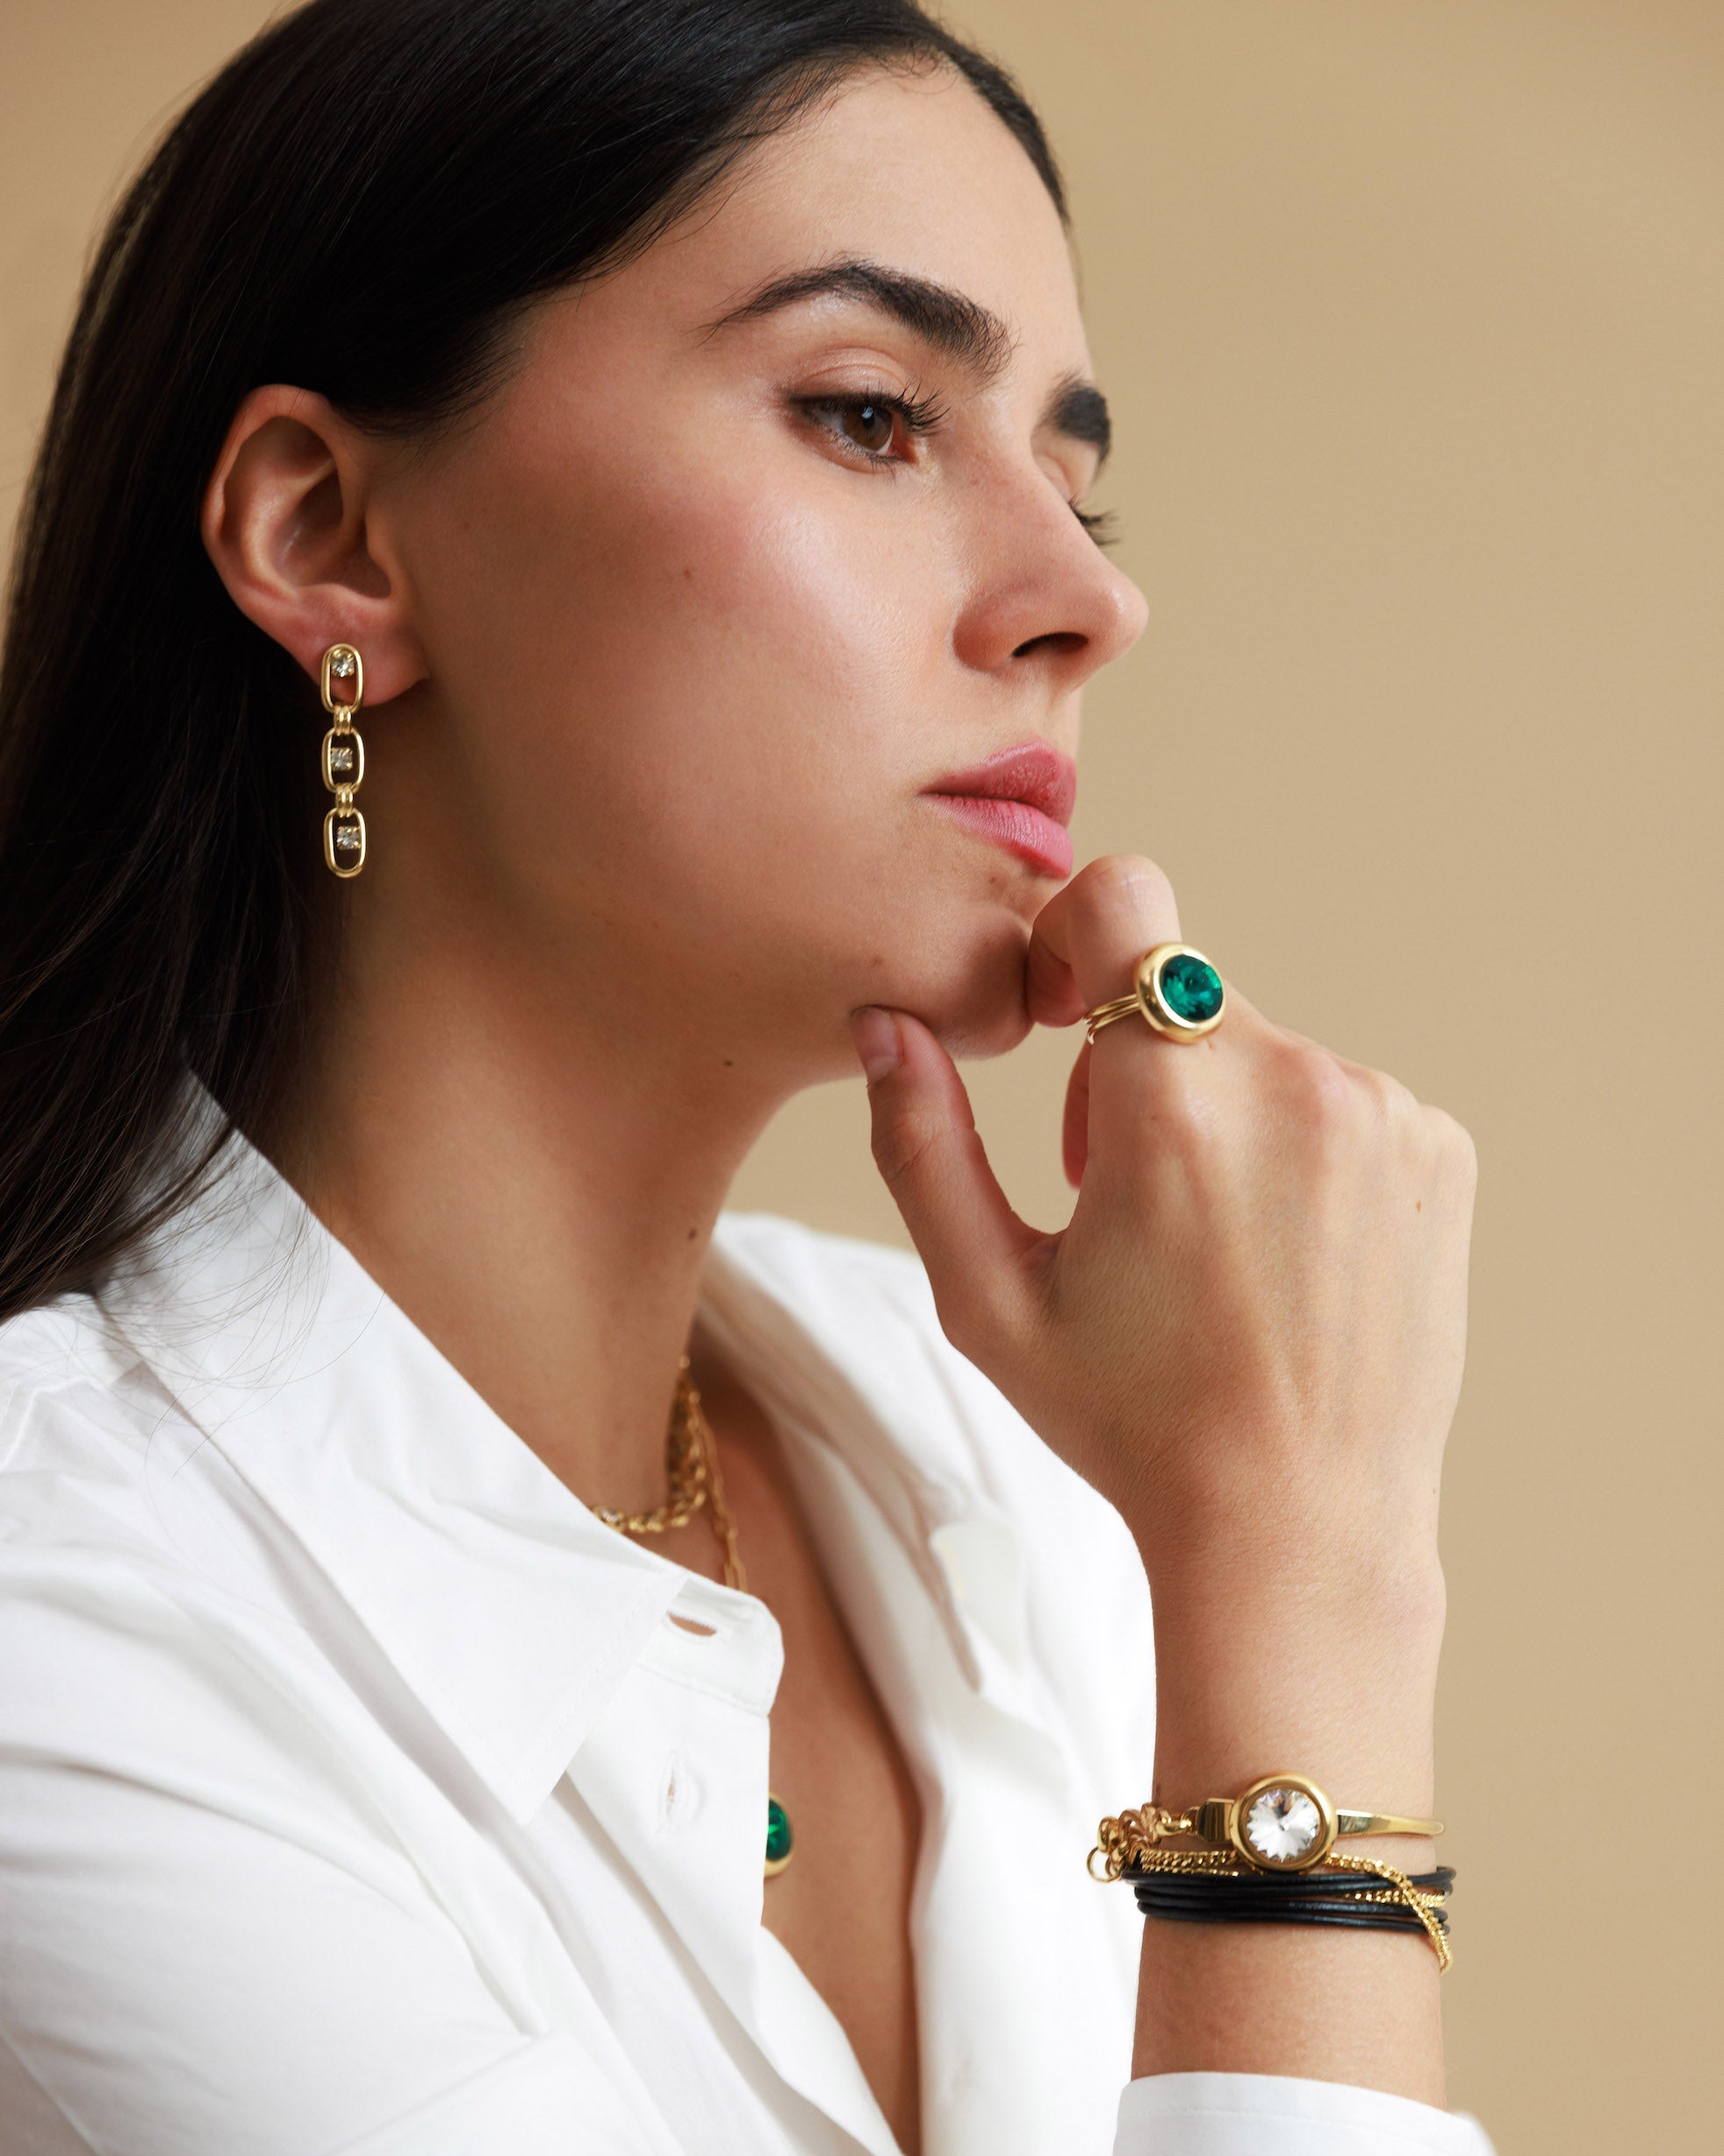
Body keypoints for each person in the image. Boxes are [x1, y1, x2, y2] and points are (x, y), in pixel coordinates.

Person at [0, 2, 1490, 2150]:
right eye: (873, 415)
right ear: (329, 535)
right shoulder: (64, 1630)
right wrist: (1301, 1593)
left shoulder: (1007, 1436)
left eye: (1076, 476)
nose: (1089, 594)